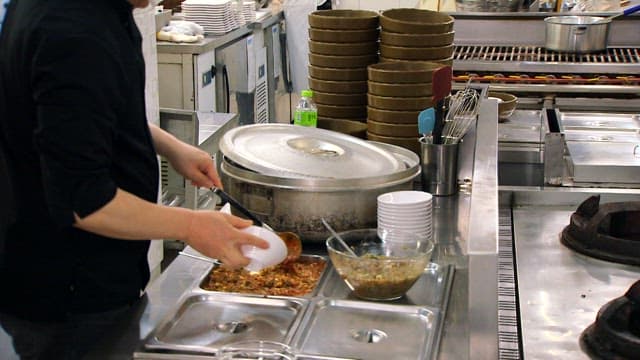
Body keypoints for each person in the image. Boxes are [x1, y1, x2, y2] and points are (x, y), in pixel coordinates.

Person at [0, 0, 269, 358]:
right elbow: (84, 200)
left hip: (84, 277)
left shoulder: (97, 13)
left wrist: (169, 145)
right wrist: (191, 225)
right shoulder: (73, 34)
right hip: (70, 294)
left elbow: (83, 119)